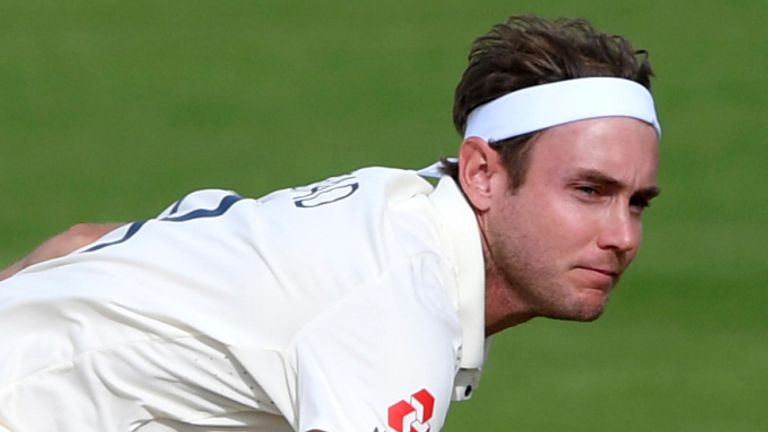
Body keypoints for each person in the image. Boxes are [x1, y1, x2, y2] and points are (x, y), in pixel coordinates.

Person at [0, 15, 661, 432]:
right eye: (588, 190)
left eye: (636, 202)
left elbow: (82, 242)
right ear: (482, 173)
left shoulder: (387, 211)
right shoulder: (395, 316)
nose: (622, 236)